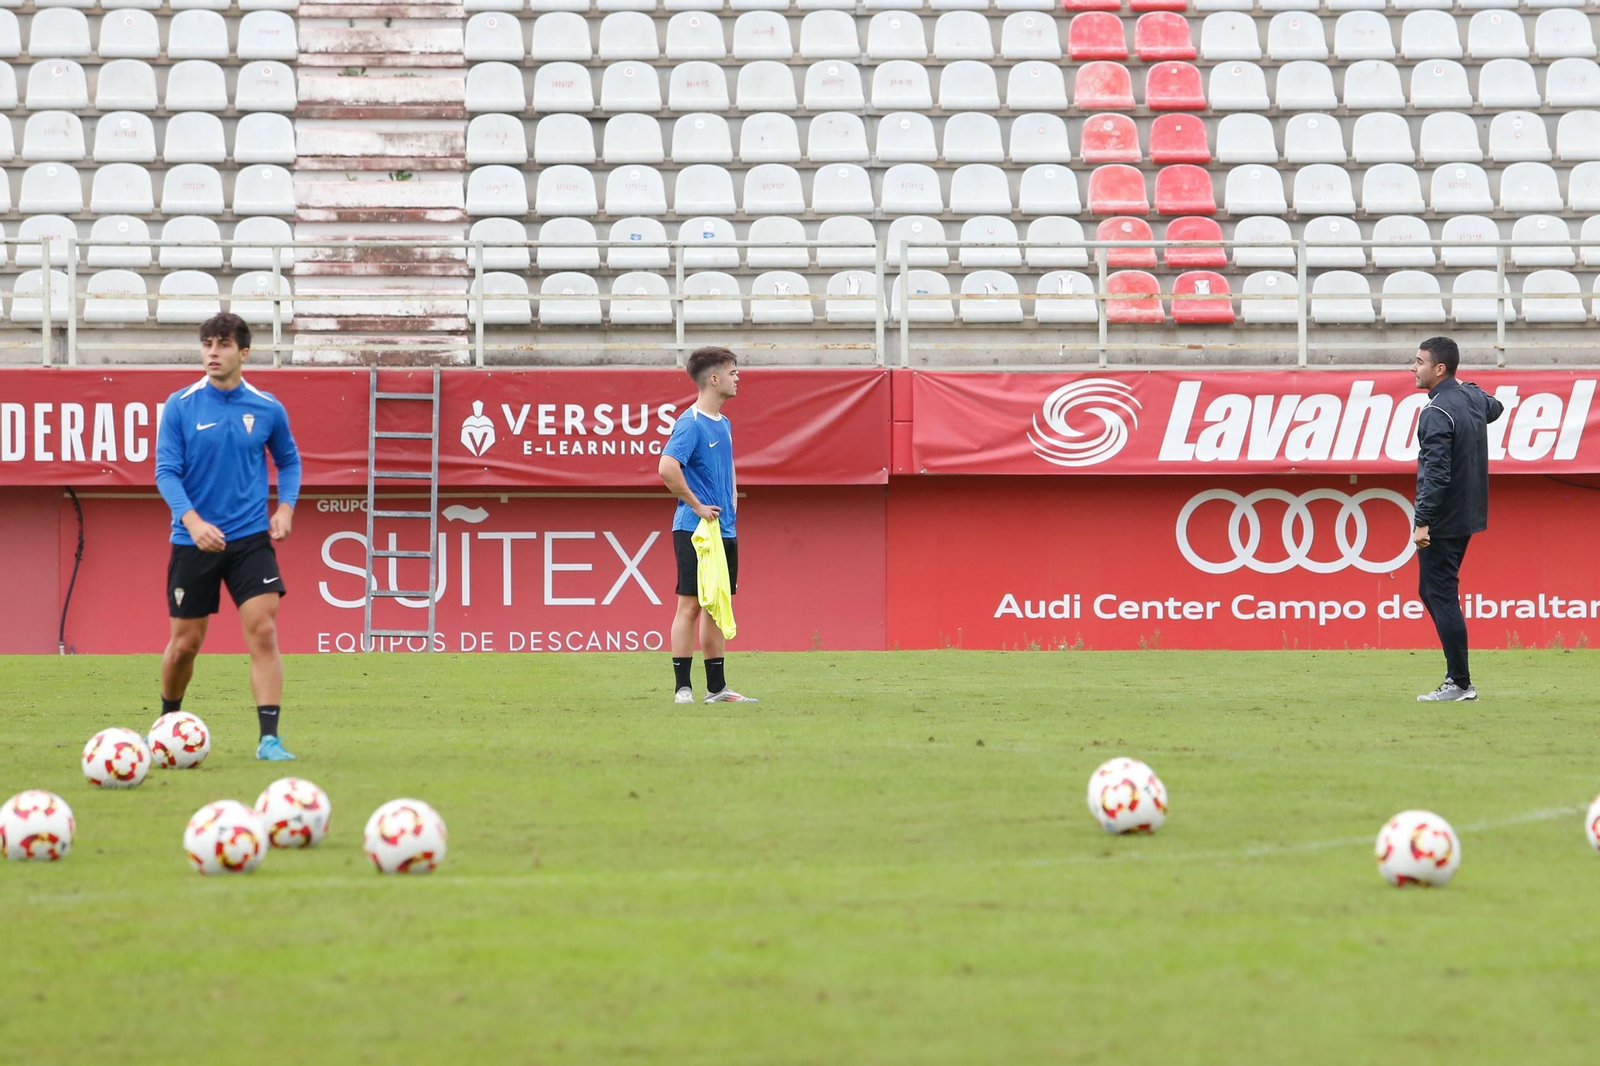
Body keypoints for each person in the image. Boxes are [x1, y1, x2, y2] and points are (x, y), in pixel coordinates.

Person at [154, 313, 303, 759]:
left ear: (243, 352)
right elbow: (166, 472)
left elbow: (290, 462)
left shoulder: (267, 407)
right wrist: (193, 522)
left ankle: (269, 739)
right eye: (206, 345)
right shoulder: (181, 404)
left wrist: (286, 506)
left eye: (221, 345)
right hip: (192, 541)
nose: (212, 353)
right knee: (185, 646)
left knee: (263, 630)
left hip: (250, 540)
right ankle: (165, 723)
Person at [658, 346, 758, 705]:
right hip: (695, 529)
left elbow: (727, 467)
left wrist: (731, 494)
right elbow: (667, 467)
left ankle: (717, 689)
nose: (737, 377)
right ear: (714, 379)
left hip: (724, 529)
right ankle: (682, 687)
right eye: (732, 372)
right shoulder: (690, 422)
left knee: (717, 604)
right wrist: (698, 505)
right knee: (690, 605)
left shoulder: (724, 422)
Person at [1409, 336, 1504, 702]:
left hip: (1444, 519)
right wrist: (1465, 386)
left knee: (1441, 593)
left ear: (1439, 369)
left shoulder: (1436, 411)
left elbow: (1435, 473)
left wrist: (1422, 521)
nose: (1413, 368)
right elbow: (1495, 407)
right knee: (1431, 591)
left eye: (1418, 362)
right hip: (1468, 513)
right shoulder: (1469, 397)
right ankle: (1458, 677)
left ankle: (1460, 682)